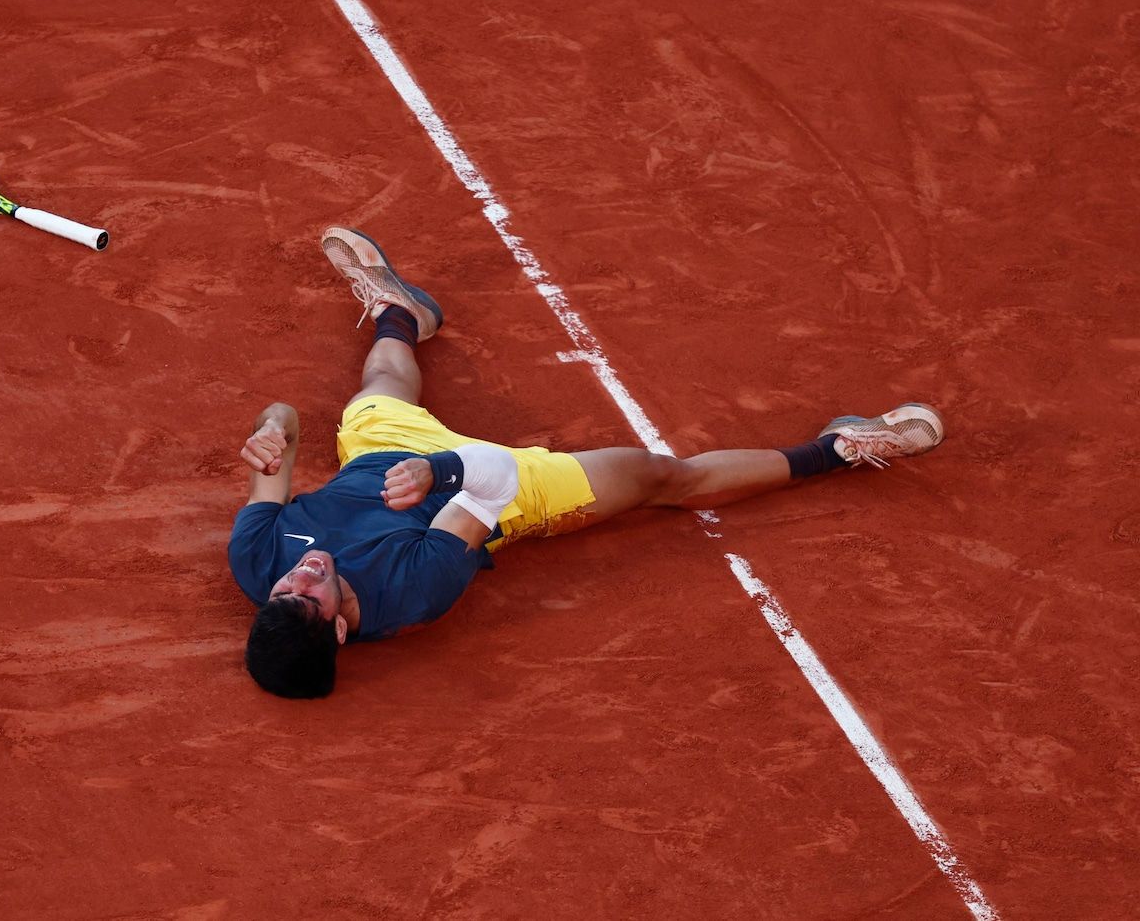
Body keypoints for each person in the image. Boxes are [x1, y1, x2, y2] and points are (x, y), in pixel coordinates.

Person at [229, 227, 945, 698]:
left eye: (285, 588)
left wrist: (272, 431)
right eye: (310, 596)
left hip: (386, 455)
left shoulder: (259, 562)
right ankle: (841, 448)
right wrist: (438, 474)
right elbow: (492, 481)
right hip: (485, 489)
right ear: (342, 628)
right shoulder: (414, 592)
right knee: (662, 477)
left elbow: (286, 424)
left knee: (380, 386)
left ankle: (403, 314)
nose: (304, 573)